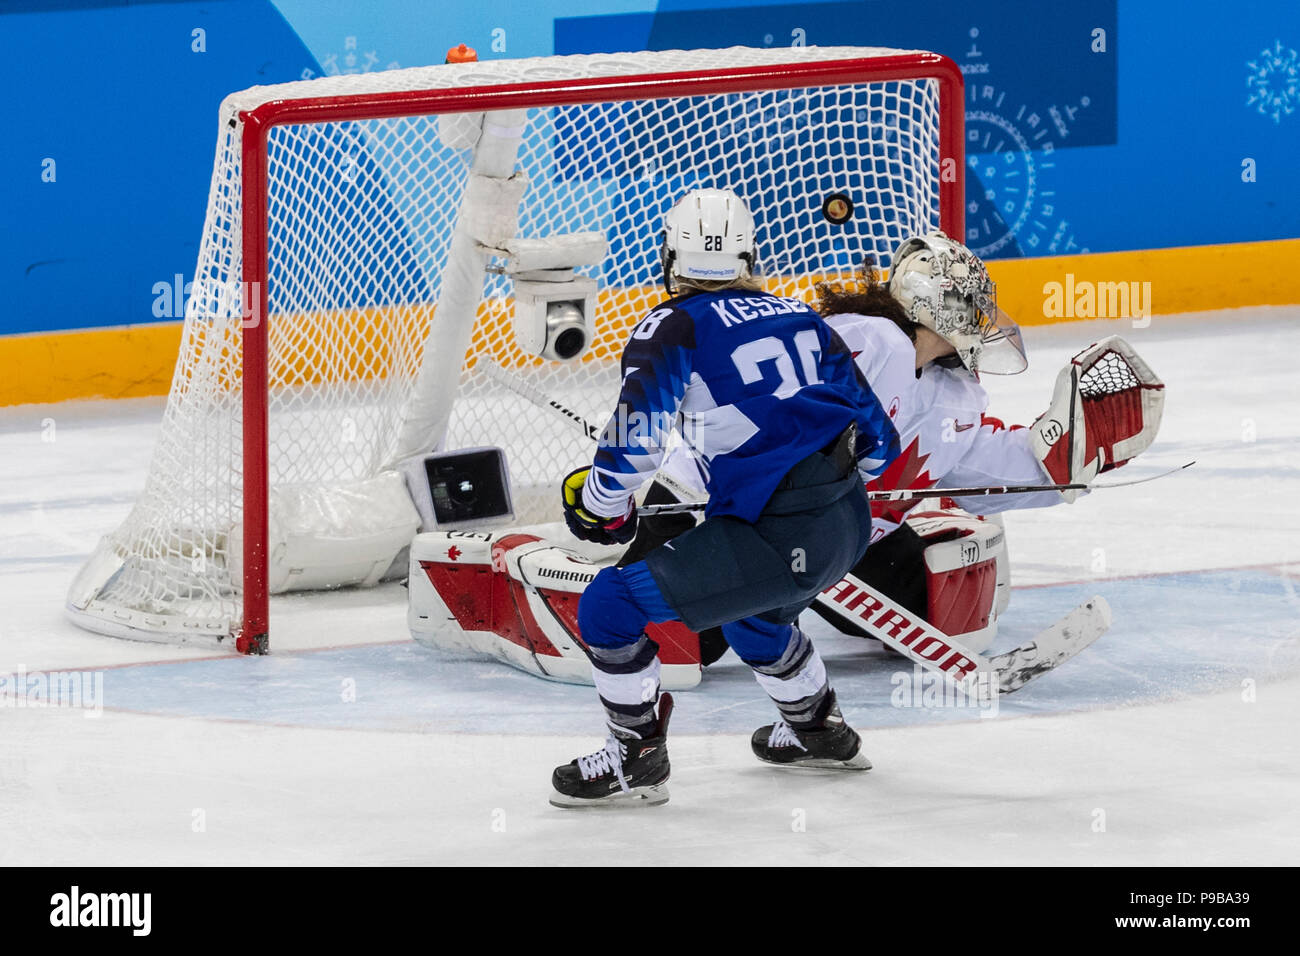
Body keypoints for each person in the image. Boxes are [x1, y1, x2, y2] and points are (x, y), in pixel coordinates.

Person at [550, 187, 900, 808]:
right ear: (749, 255)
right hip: (848, 524)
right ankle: (818, 730)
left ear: (668, 257)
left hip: (773, 536)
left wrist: (600, 507)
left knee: (609, 604)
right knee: (752, 614)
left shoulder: (672, 325)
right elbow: (880, 447)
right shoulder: (800, 315)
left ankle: (635, 759)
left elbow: (634, 447)